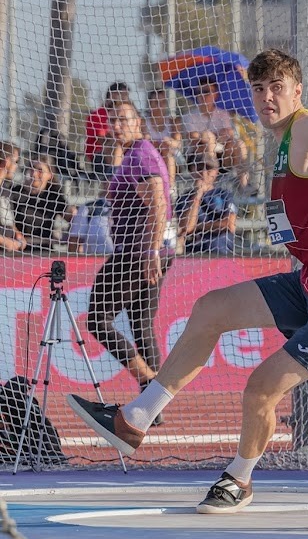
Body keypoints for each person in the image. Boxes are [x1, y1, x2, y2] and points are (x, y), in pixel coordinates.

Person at [67, 48, 308, 514]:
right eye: (259, 88)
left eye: (277, 87)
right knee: (210, 308)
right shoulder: (285, 147)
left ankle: (239, 479)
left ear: (297, 91)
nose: (267, 96)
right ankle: (134, 419)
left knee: (260, 389)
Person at [85, 100, 174, 392]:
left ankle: (151, 384)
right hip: (149, 250)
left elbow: (158, 204)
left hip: (137, 252)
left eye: (123, 119)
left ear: (138, 122)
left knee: (98, 320)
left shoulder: (140, 156)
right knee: (141, 323)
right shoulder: (133, 154)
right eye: (113, 121)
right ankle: (153, 406)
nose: (116, 126)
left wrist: (151, 252)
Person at [176, 152, 237, 255]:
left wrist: (198, 227)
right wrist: (197, 195)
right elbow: (187, 227)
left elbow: (229, 224)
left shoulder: (224, 195)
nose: (204, 173)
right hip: (194, 254)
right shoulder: (184, 198)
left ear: (216, 171)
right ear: (192, 171)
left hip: (221, 253)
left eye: (208, 169)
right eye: (200, 168)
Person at [11, 154, 75, 252]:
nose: (34, 174)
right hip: (18, 251)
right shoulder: (15, 193)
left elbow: (72, 217)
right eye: (32, 169)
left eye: (40, 170)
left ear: (50, 175)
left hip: (44, 251)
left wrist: (67, 235)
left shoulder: (53, 196)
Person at [182, 80, 247, 171]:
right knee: (208, 137)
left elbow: (228, 134)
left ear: (215, 94)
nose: (202, 95)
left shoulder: (222, 113)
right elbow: (193, 139)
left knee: (239, 144)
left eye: (206, 91)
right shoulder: (189, 115)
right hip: (197, 156)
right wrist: (213, 137)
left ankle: (243, 178)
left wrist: (210, 138)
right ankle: (211, 166)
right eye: (198, 92)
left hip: (222, 154)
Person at [85, 82, 131, 175]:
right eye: (123, 95)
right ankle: (114, 177)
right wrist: (119, 135)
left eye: (126, 96)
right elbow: (101, 139)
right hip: (99, 156)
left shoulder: (125, 114)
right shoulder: (97, 115)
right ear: (113, 95)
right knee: (115, 145)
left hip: (124, 153)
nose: (126, 99)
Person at [144, 89, 182, 190]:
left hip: (172, 157)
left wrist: (167, 142)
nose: (159, 106)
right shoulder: (144, 122)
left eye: (162, 102)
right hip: (151, 156)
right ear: (150, 104)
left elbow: (178, 143)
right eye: (156, 102)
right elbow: (144, 142)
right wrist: (159, 144)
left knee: (167, 151)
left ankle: (170, 187)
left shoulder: (173, 121)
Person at [0, 142, 27, 254]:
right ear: (7, 161)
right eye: (15, 162)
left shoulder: (5, 189)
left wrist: (17, 233)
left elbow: (7, 219)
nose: (16, 166)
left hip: (8, 255)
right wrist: (5, 241)